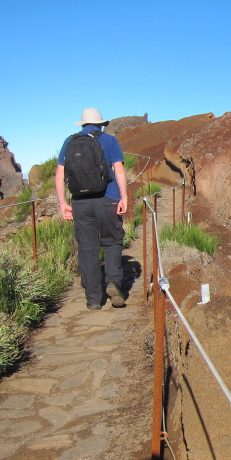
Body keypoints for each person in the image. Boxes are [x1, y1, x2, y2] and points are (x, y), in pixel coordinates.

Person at [55, 108, 129, 310]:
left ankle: (94, 299)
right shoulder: (110, 140)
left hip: (81, 202)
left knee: (87, 250)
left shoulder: (70, 142)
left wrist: (63, 204)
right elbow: (119, 169)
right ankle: (113, 281)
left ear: (82, 124)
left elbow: (60, 174)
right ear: (101, 124)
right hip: (108, 199)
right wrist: (124, 197)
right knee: (112, 242)